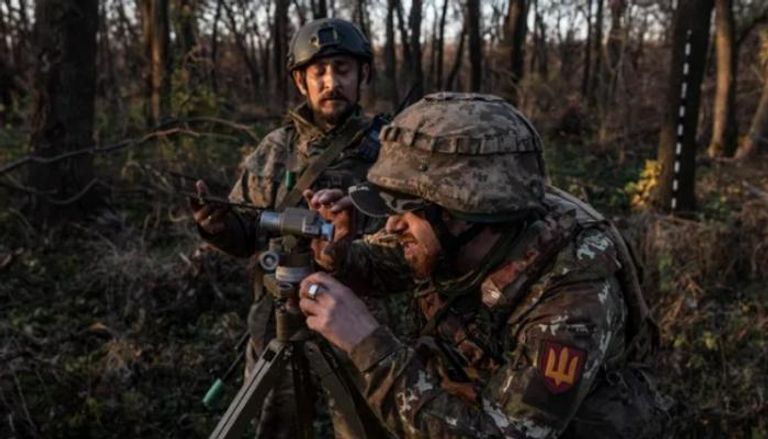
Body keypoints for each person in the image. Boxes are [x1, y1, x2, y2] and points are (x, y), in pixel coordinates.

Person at [299, 92, 671, 438]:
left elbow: (501, 433)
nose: (393, 226)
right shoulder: (453, 235)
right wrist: (341, 256)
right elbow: (392, 259)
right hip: (476, 393)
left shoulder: (573, 298)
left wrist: (369, 345)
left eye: (407, 212)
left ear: (468, 216)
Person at [189, 18, 406, 438]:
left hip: (358, 321)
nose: (331, 82)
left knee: (366, 425)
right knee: (276, 423)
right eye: (318, 72)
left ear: (363, 74)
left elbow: (407, 241)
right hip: (281, 318)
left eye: (342, 69)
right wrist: (218, 226)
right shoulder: (275, 149)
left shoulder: (389, 151)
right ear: (300, 81)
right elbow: (249, 234)